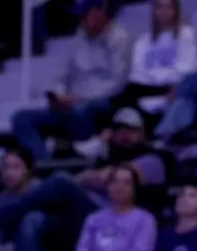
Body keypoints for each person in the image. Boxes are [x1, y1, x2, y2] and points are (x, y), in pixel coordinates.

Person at [14, 0, 131, 160]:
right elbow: (60, 75)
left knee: (81, 109)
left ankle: (81, 157)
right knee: (21, 118)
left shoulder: (119, 38)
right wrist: (58, 95)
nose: (82, 20)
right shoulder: (78, 38)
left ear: (99, 11)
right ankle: (45, 163)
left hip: (100, 103)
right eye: (80, 16)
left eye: (86, 15)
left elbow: (118, 82)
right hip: (71, 103)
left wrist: (81, 98)